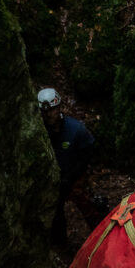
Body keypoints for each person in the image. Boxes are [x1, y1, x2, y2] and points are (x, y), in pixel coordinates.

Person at [38, 87, 97, 245]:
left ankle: (102, 234)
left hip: (75, 175)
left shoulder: (75, 129)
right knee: (56, 210)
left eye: (52, 110)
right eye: (46, 111)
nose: (49, 114)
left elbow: (88, 152)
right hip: (55, 179)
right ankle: (61, 242)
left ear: (59, 108)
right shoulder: (40, 133)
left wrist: (73, 176)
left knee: (87, 205)